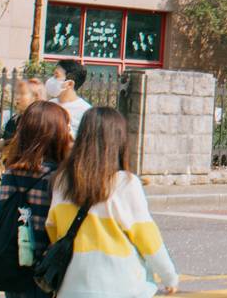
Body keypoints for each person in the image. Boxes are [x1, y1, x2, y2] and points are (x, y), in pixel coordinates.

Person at [47, 107, 180, 296]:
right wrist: (169, 276)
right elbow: (148, 237)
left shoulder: (62, 180)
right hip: (121, 286)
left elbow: (52, 228)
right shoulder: (125, 183)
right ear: (118, 141)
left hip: (72, 286)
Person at [0, 100, 72, 298]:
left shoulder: (13, 170)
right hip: (46, 266)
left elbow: (3, 213)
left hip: (15, 260)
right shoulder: (58, 175)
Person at [49, 61, 93, 136]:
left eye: (56, 76)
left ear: (70, 84)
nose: (51, 80)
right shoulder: (49, 105)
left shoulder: (86, 111)